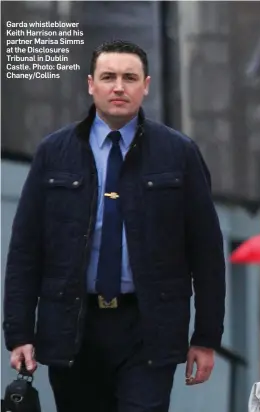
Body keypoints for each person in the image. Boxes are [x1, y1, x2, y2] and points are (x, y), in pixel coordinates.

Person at [3, 40, 226, 412]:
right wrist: (19, 333)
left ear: (146, 85)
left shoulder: (179, 153)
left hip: (148, 327)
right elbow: (25, 250)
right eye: (108, 77)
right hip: (73, 327)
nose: (118, 86)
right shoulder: (54, 153)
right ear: (91, 84)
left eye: (129, 77)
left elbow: (206, 251)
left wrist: (206, 337)